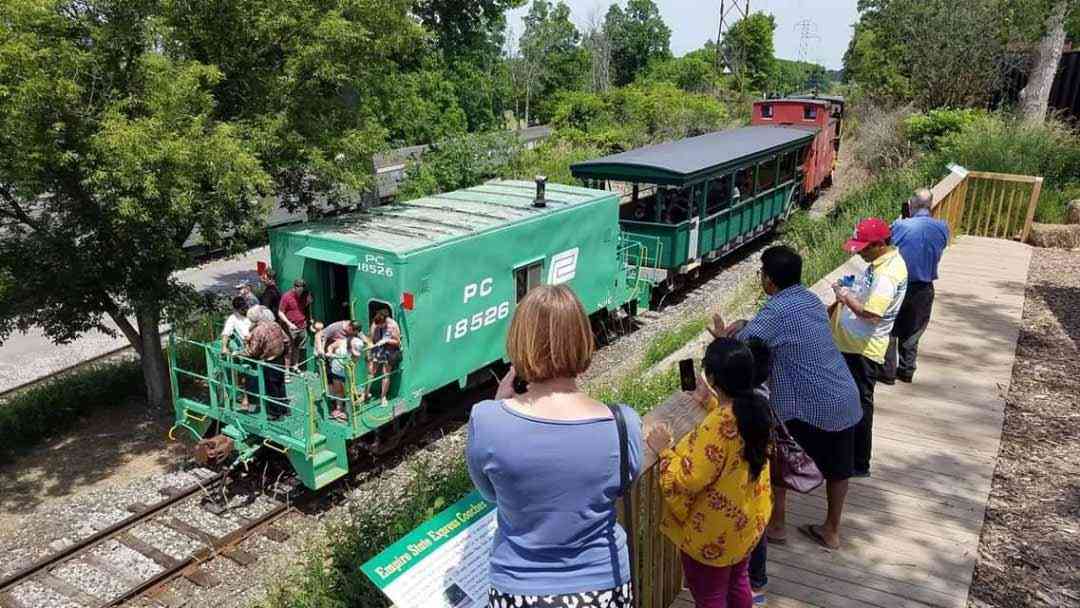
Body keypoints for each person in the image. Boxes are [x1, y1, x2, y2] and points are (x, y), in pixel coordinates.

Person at [467, 284, 643, 608]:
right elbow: (622, 484)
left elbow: (490, 493)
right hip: (603, 587)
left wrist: (497, 406)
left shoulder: (485, 420)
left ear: (519, 343)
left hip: (518, 590)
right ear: (583, 340)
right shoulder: (624, 424)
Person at [715, 245, 862, 551]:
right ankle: (832, 531)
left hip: (805, 403)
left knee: (778, 461)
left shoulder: (776, 310)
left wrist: (723, 339)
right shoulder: (808, 299)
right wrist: (746, 324)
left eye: (761, 274)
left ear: (769, 280)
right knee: (839, 468)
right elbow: (765, 331)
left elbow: (743, 347)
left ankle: (777, 526)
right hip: (844, 396)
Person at [646, 338, 772, 608]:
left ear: (712, 378)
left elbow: (690, 479)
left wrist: (664, 452)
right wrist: (713, 402)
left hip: (714, 533)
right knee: (738, 580)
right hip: (747, 522)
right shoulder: (758, 408)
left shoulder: (718, 424)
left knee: (709, 595)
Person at [831, 219, 908, 479]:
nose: (859, 253)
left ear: (880, 244)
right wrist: (852, 287)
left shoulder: (887, 274)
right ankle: (850, 455)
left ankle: (858, 462)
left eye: (864, 248)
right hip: (853, 345)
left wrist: (844, 297)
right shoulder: (880, 264)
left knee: (861, 406)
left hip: (862, 350)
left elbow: (872, 314)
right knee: (853, 402)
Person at [882, 189, 949, 384]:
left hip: (899, 285)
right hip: (924, 286)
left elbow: (888, 243)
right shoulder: (943, 227)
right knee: (914, 329)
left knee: (891, 327)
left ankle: (887, 371)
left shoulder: (900, 225)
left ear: (911, 205)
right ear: (930, 205)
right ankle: (907, 369)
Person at [245, 305, 290, 419]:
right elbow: (286, 340)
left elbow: (253, 352)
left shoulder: (258, 331)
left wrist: (247, 343)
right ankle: (285, 409)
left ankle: (275, 414)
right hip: (280, 359)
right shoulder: (275, 324)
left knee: (271, 388)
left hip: (269, 361)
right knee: (280, 385)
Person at [278, 279, 312, 374]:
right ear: (295, 287)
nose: (300, 292)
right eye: (299, 289)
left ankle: (295, 366)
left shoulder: (304, 295)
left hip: (301, 326)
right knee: (289, 349)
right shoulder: (286, 297)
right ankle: (286, 371)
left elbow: (307, 306)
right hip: (290, 328)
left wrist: (309, 302)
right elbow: (280, 312)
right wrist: (289, 324)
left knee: (297, 347)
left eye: (302, 289)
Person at [366, 309, 400, 405]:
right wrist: (371, 347)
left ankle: (383, 397)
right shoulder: (376, 323)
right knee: (371, 371)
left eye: (380, 325)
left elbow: (397, 342)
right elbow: (371, 337)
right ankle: (366, 393)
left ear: (384, 321)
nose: (378, 326)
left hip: (389, 350)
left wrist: (387, 341)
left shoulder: (392, 326)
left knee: (385, 373)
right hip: (377, 348)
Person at [326, 336, 364, 421]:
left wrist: (337, 357)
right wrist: (330, 352)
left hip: (346, 374)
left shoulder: (358, 346)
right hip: (336, 370)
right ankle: (339, 409)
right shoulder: (341, 342)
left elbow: (355, 360)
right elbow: (331, 347)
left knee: (347, 392)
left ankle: (348, 411)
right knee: (338, 390)